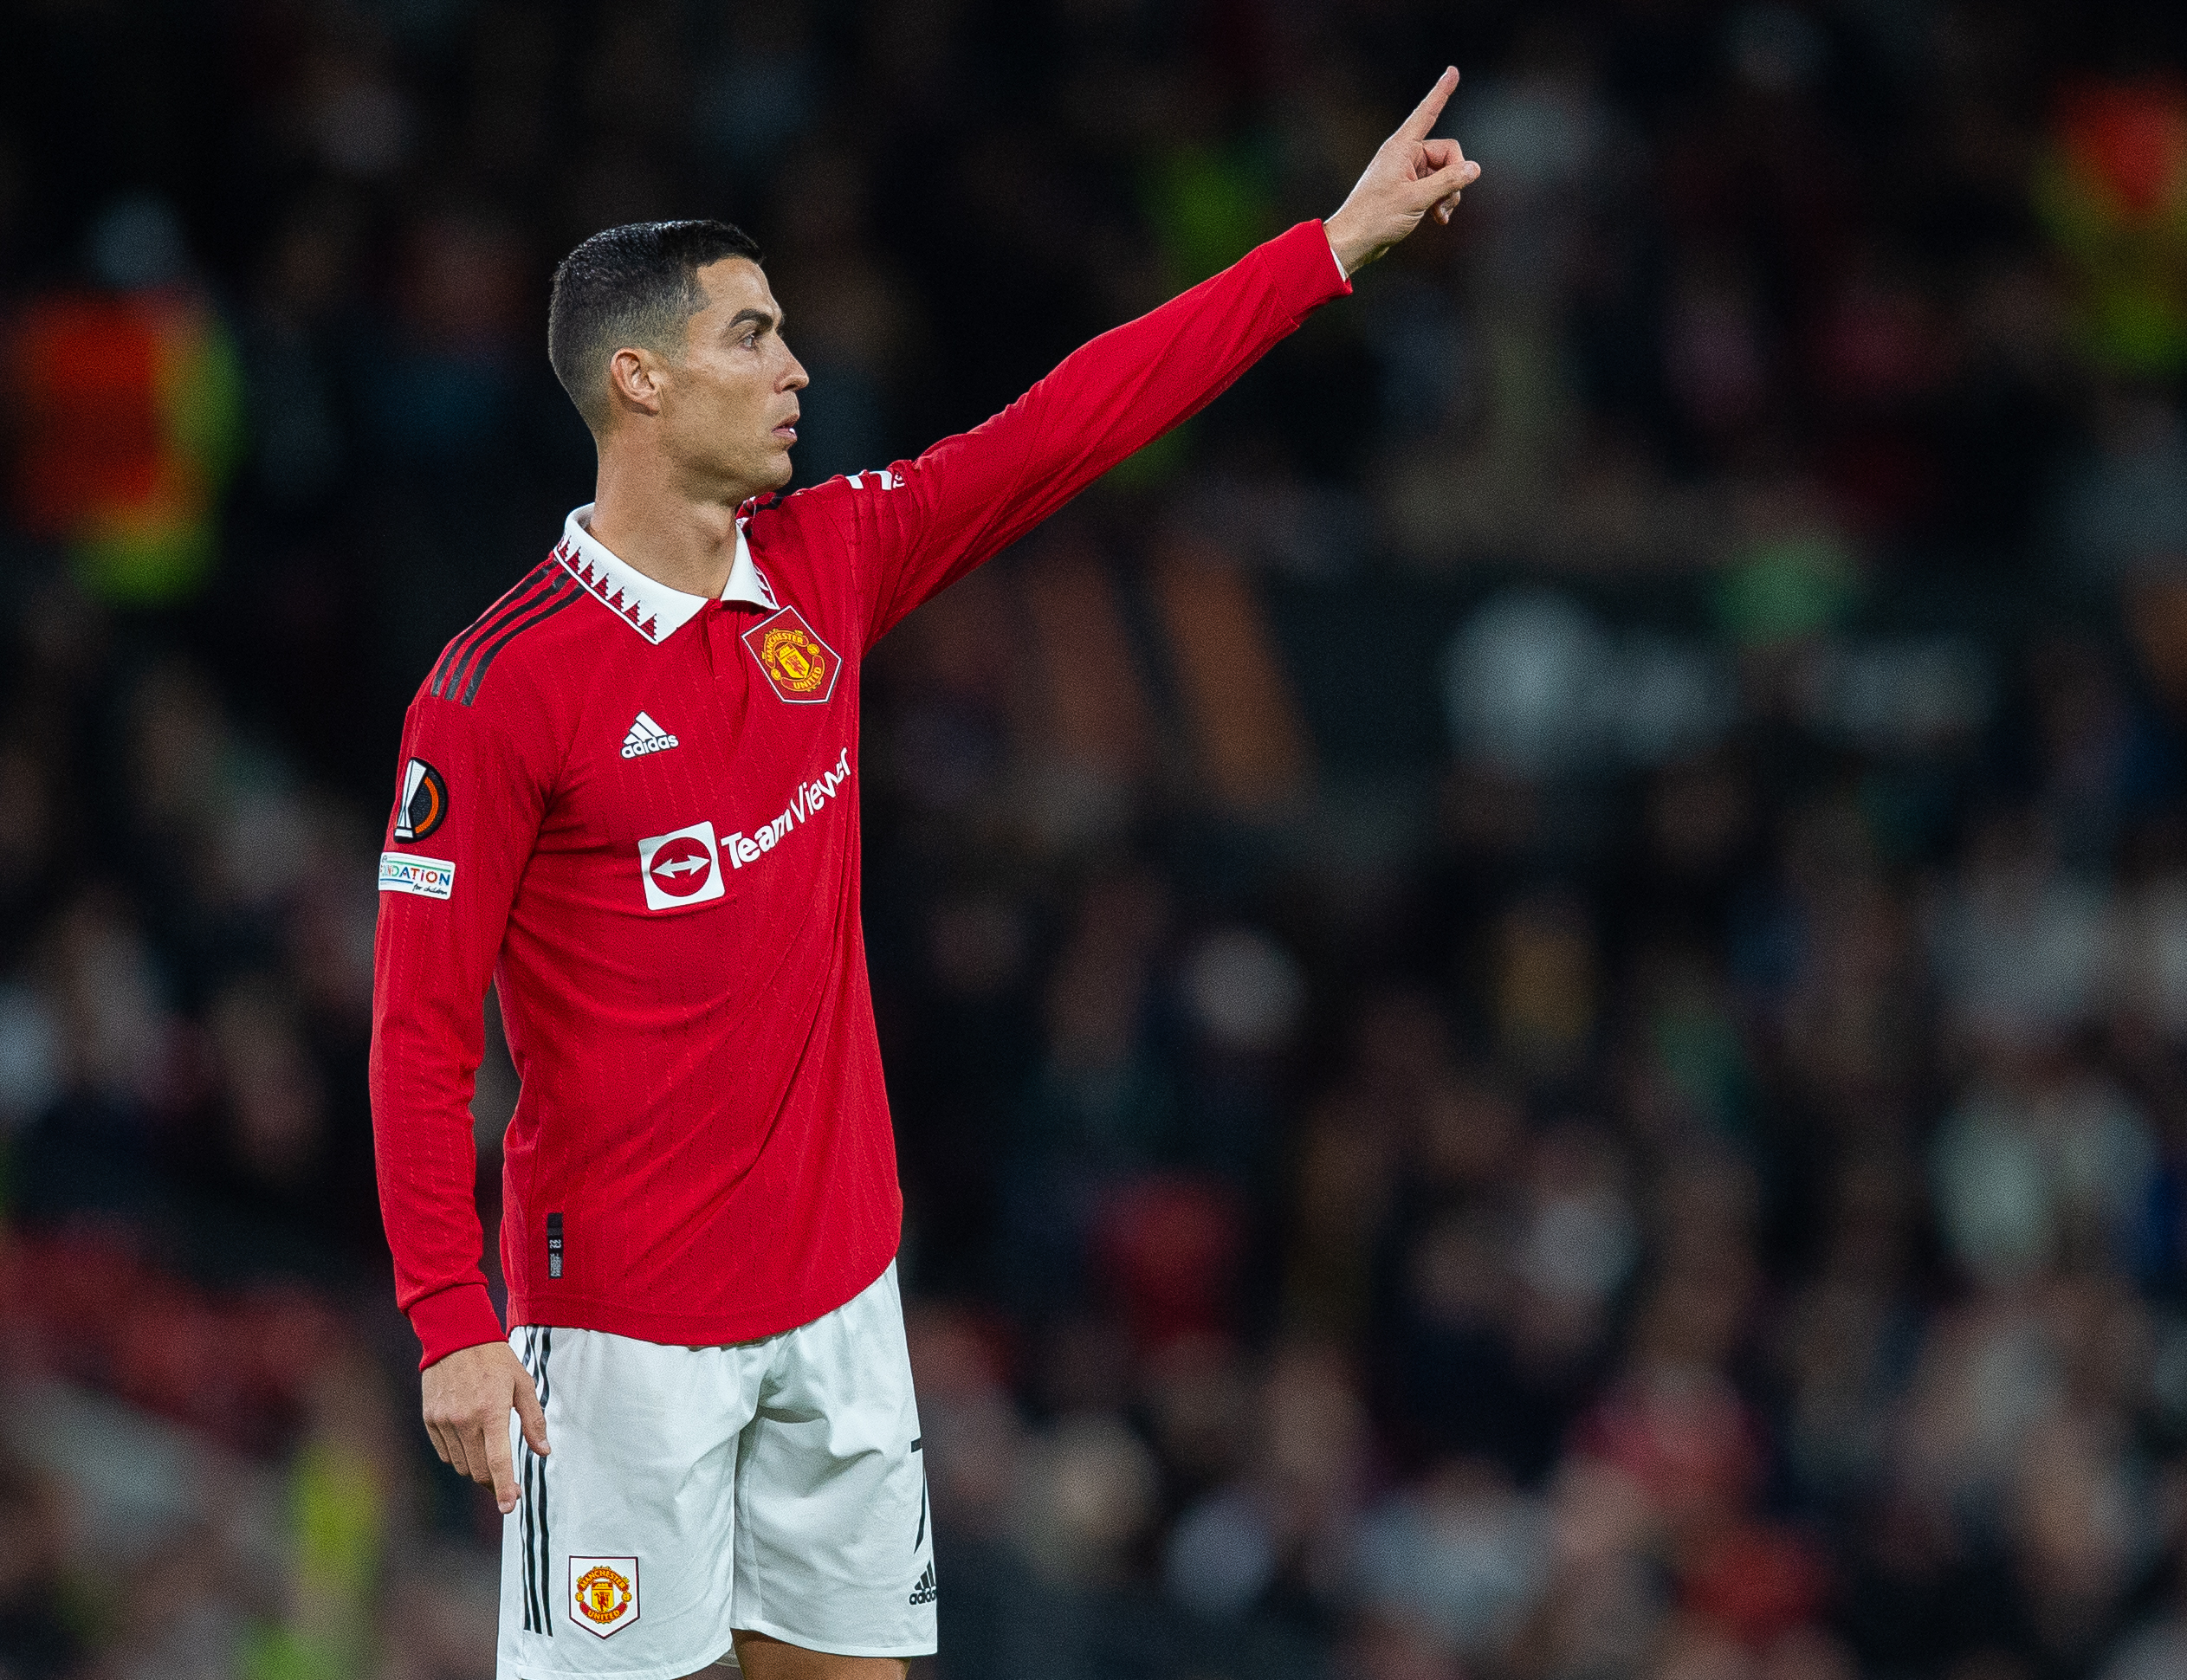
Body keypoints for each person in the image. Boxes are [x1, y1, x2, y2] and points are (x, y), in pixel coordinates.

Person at [370, 68, 1479, 1680]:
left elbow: (1066, 424)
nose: (797, 368)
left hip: (837, 1296)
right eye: (752, 336)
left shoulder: (825, 562)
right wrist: (450, 1323)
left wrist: (1325, 250)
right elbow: (417, 1033)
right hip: (618, 1335)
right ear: (638, 380)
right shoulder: (495, 692)